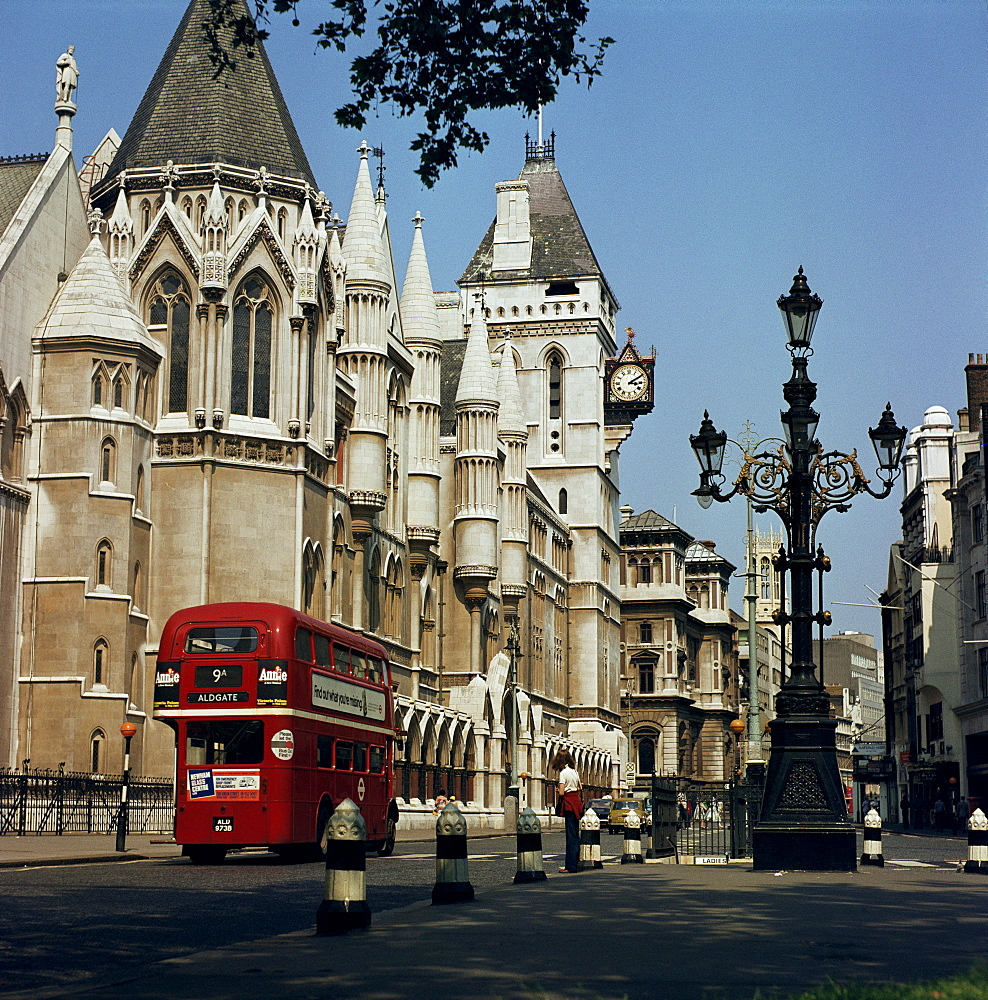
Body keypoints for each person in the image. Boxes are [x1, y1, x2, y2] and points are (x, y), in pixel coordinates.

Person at [552, 750, 582, 873]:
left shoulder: (563, 773)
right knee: (575, 834)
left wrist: (558, 790)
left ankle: (570, 866)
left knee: (570, 836)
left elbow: (562, 792)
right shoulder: (574, 772)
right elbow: (580, 787)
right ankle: (576, 862)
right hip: (576, 802)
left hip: (569, 803)